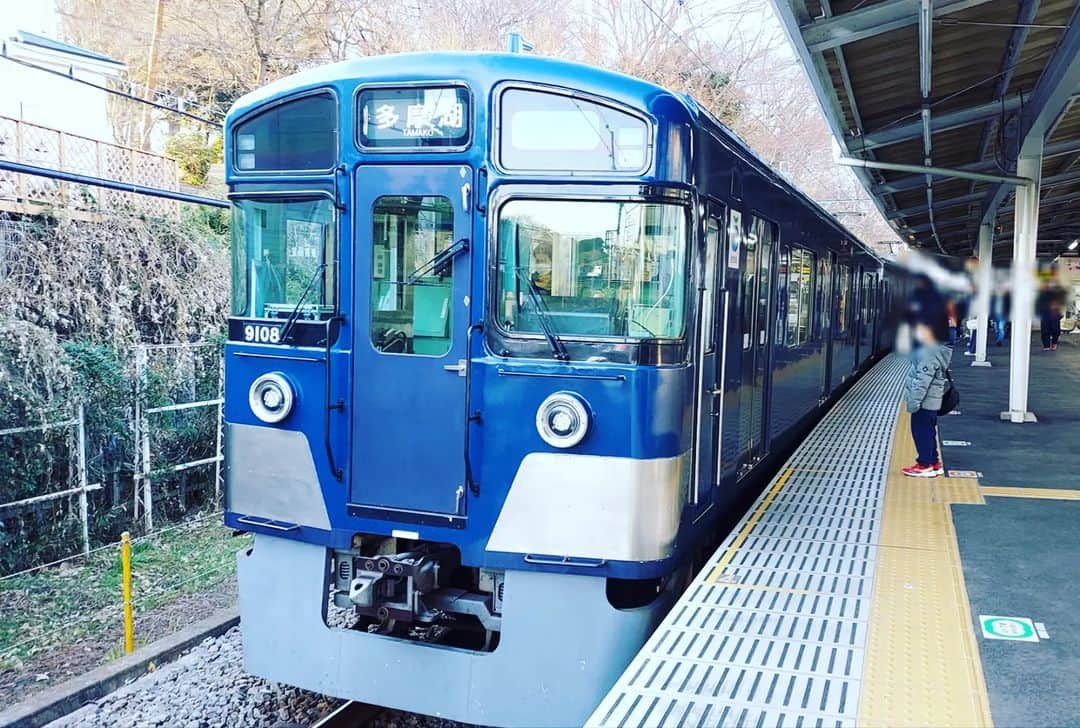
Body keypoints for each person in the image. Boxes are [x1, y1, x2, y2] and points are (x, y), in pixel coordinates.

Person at [902, 315, 953, 478]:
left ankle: (924, 464)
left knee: (921, 432)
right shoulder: (939, 350)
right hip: (932, 402)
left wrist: (913, 403)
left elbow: (921, 381)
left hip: (924, 402)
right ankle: (934, 462)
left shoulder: (929, 353)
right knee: (929, 432)